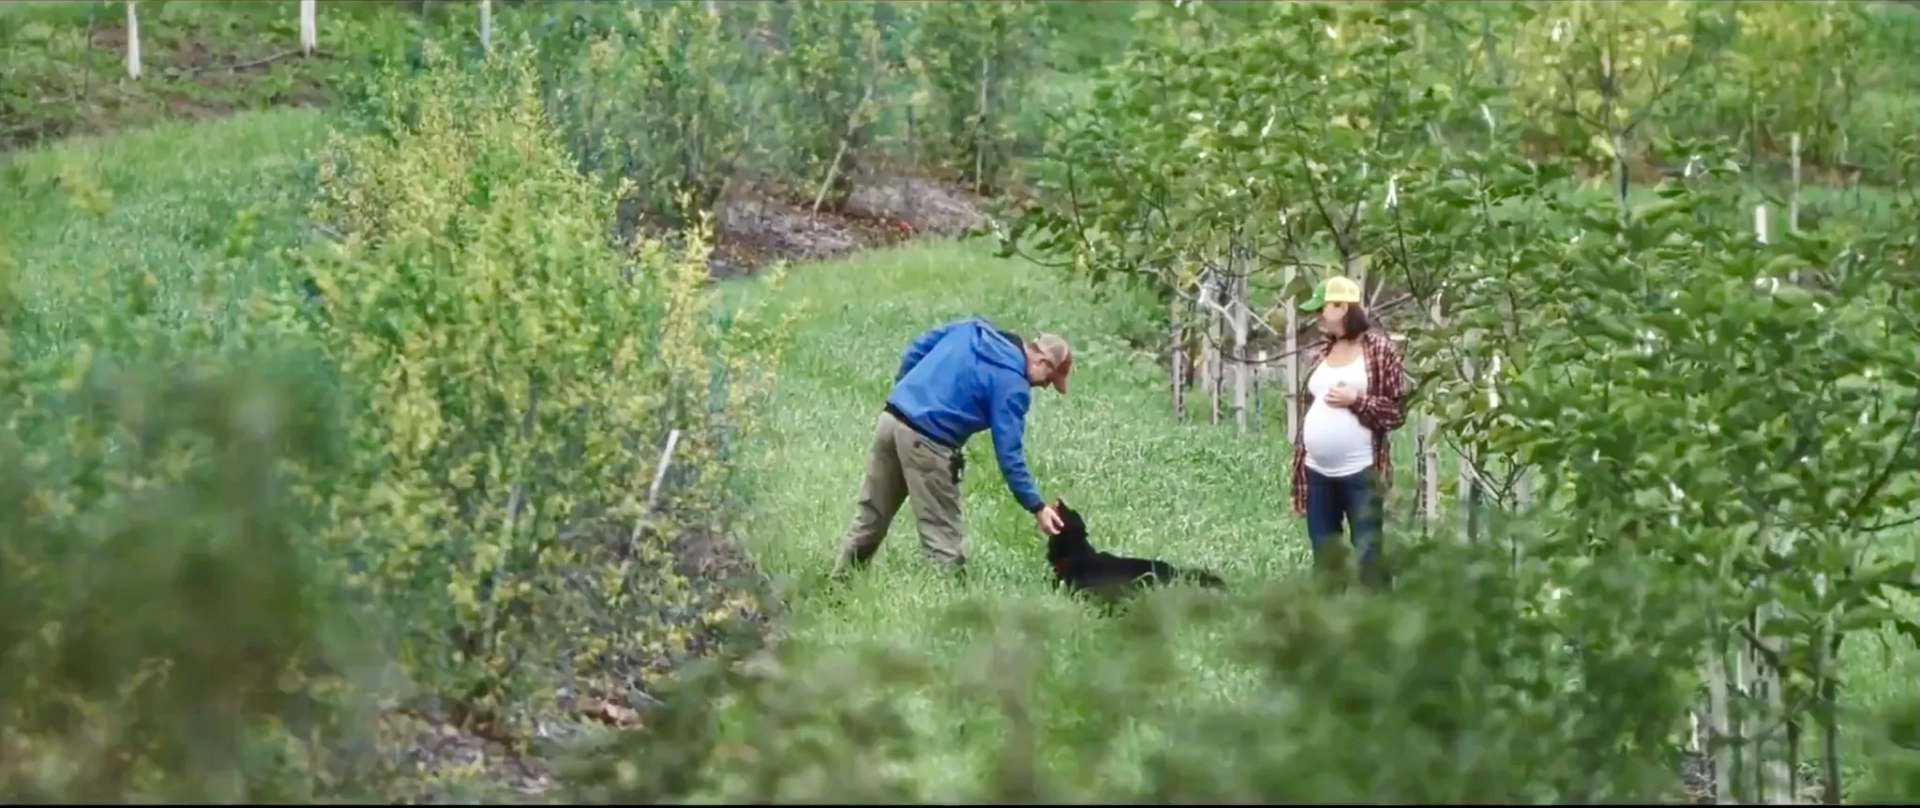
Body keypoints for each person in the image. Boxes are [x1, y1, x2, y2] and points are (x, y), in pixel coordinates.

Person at [832, 318, 1074, 578]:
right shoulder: (1013, 384)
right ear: (1042, 363)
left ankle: (837, 586)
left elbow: (914, 350)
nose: (1045, 386)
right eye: (1049, 380)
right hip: (928, 442)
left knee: (871, 516)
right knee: (943, 541)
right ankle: (947, 613)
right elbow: (1009, 454)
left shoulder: (970, 329)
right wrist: (1036, 506)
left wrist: (908, 396)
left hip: (890, 420)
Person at [1289, 276, 1408, 590]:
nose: (1317, 316)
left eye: (1322, 308)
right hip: (1317, 471)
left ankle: (1375, 618)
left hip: (1360, 471)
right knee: (1325, 553)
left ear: (1342, 308)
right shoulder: (1321, 353)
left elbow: (1395, 412)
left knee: (1369, 550)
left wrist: (1356, 400)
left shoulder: (1378, 351)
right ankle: (1329, 623)